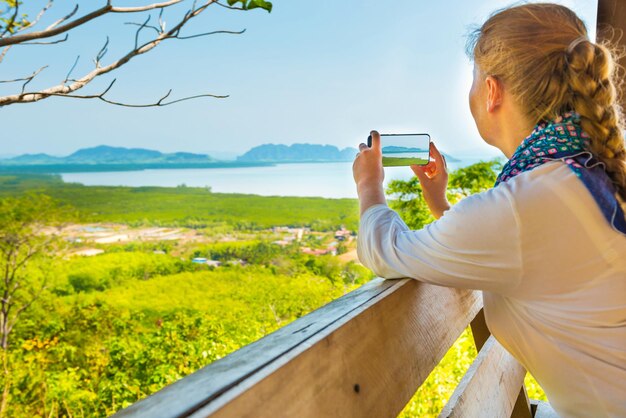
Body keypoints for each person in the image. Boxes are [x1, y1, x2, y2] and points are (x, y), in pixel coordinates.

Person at [352, 3, 626, 418]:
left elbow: (385, 251)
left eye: (474, 81)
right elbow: (530, 251)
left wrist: (368, 184)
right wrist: (440, 204)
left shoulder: (523, 203)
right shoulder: (589, 170)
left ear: (493, 91)